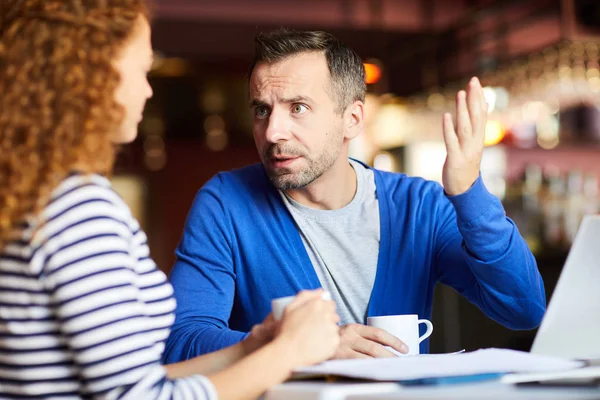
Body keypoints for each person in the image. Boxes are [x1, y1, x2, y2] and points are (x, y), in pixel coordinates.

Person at [0, 3, 340, 399]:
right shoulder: (77, 210)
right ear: (92, 73)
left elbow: (135, 384)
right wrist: (289, 352)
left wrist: (252, 348)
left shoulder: (36, 196)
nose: (147, 89)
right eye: (142, 69)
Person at [164, 29, 546, 362]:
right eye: (262, 110)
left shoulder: (420, 207)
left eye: (298, 108)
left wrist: (469, 193)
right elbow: (182, 341)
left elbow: (523, 308)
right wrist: (299, 348)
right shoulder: (226, 203)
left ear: (352, 119)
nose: (273, 131)